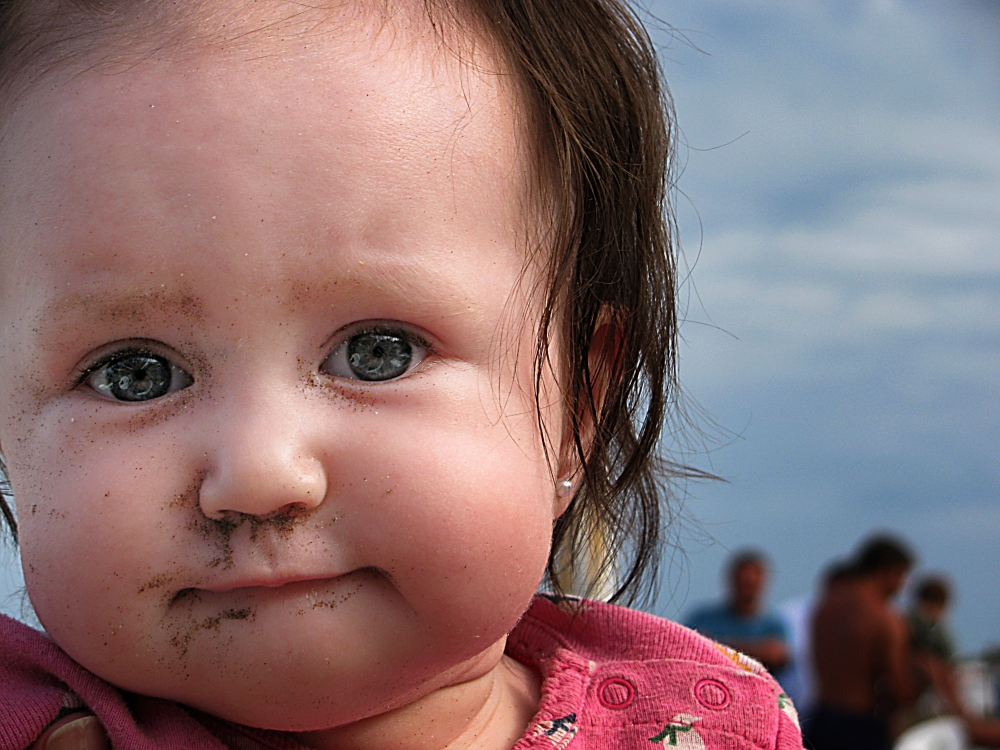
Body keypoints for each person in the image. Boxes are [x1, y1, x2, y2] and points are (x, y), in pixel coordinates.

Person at [0, 2, 805, 749]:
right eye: (134, 373)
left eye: (378, 351)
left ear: (578, 407)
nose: (260, 474)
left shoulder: (707, 727)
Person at [804, 535, 918, 750]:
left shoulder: (825, 608)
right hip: (861, 725)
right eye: (902, 577)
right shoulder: (885, 618)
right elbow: (899, 688)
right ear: (887, 572)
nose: (901, 587)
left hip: (820, 719)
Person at [901, 576, 1000, 748]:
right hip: (928, 698)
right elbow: (937, 664)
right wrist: (960, 711)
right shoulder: (928, 627)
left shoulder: (905, 620)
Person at [685, 551, 791, 675]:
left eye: (751, 583)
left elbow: (777, 656)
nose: (746, 587)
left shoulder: (773, 622)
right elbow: (687, 648)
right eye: (742, 581)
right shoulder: (703, 617)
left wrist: (718, 646)